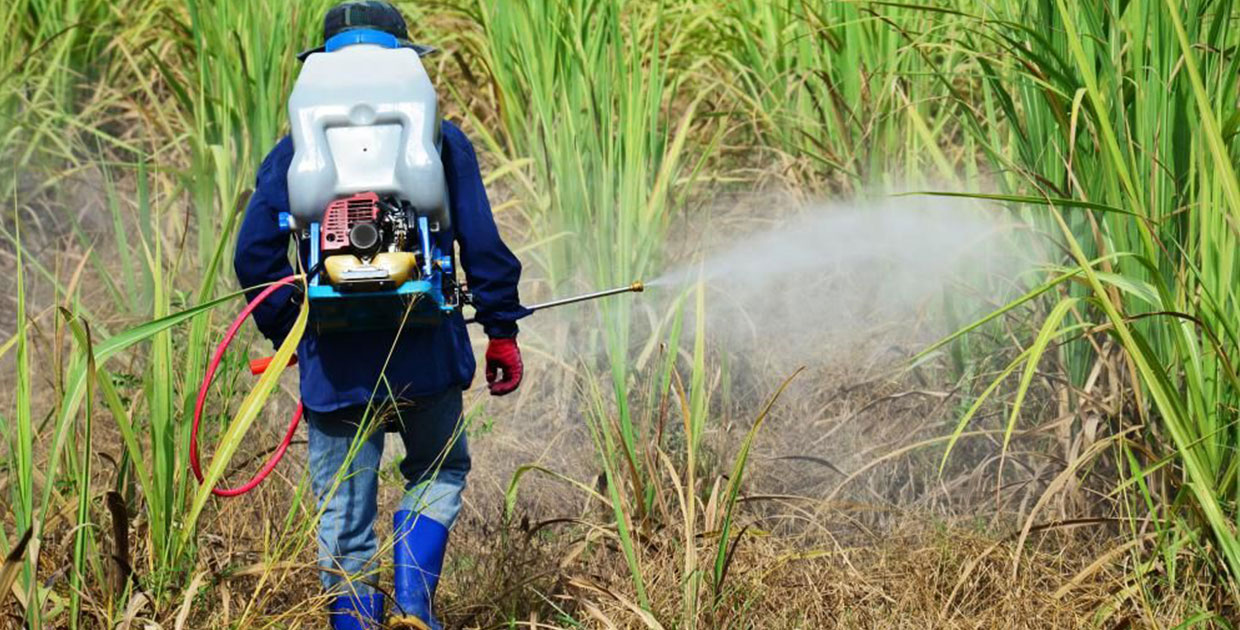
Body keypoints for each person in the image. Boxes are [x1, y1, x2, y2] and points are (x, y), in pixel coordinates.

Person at [233, 3, 528, 628]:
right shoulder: (440, 141)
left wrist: (297, 332)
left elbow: (255, 256)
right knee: (439, 468)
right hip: (427, 357)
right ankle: (415, 607)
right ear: (403, 62)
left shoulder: (293, 152)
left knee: (344, 515)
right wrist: (501, 331)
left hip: (335, 372)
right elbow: (482, 244)